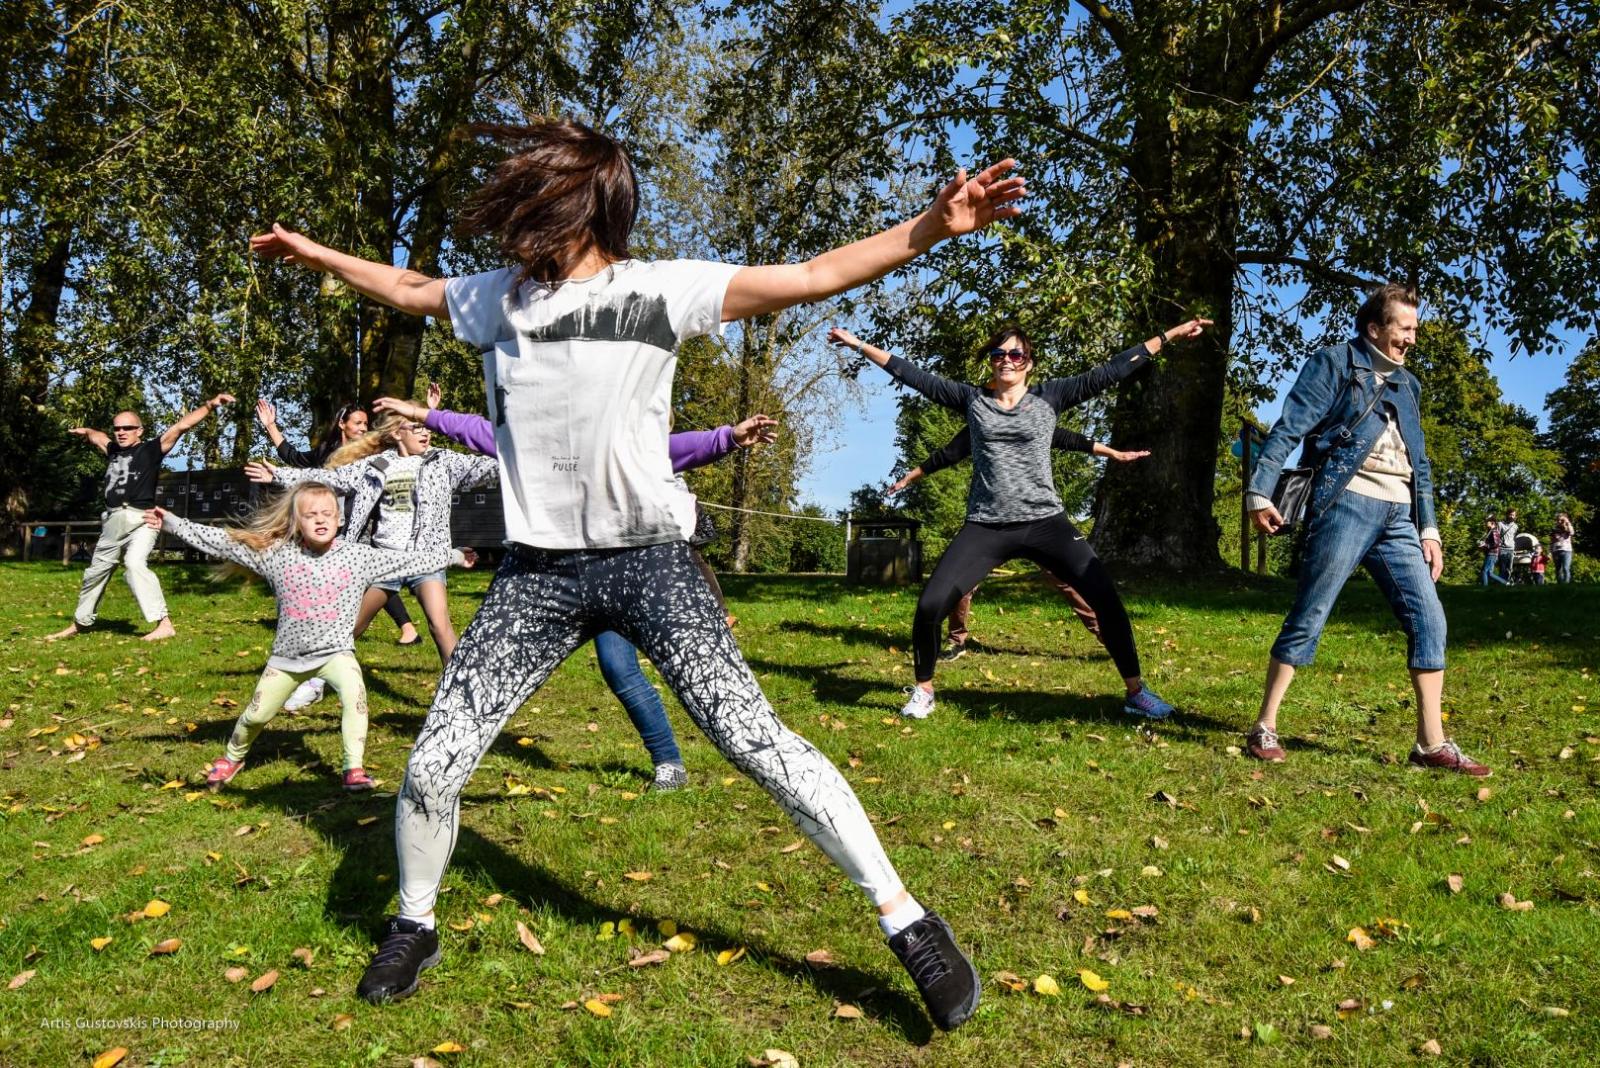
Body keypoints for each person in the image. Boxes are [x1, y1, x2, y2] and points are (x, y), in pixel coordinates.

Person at [249, 119, 1025, 1029]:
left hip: (652, 564)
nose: (518, 224)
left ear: (583, 205)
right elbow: (408, 286)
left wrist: (930, 227)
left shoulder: (660, 289)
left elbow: (811, 275)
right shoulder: (499, 299)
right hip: (536, 575)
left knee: (757, 741)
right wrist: (313, 252)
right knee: (433, 763)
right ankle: (413, 920)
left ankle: (908, 921)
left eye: (537, 201)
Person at [374, 391, 779, 792]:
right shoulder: (540, 446)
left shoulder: (626, 448)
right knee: (504, 668)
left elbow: (680, 447)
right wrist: (419, 413)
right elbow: (478, 431)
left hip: (622, 575)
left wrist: (729, 437)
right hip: (553, 580)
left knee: (632, 670)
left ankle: (671, 760)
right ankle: (440, 773)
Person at [831, 319, 1207, 722]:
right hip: (987, 525)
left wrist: (1168, 335)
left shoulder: (1051, 397)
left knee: (1107, 602)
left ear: (1028, 362)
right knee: (929, 606)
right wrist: (858, 344)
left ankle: (1136, 692)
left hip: (1046, 522)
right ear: (990, 363)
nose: (1006, 360)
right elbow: (913, 374)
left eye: (1015, 354)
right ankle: (924, 690)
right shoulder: (972, 401)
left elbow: (1112, 370)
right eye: (999, 354)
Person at [1243, 283, 1489, 776]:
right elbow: (1289, 429)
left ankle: (1430, 744)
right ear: (1375, 328)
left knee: (1430, 620)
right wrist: (1258, 491)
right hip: (1346, 503)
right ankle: (1265, 725)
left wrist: (1430, 529)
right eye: (1405, 328)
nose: (1412, 339)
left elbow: (1420, 462)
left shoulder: (1408, 385)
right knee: (1311, 611)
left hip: (1399, 516)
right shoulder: (1334, 363)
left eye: (1415, 329)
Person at [144, 484, 456, 792]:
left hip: (337, 653)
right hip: (287, 660)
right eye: (310, 515)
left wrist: (452, 556)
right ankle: (232, 758)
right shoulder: (276, 555)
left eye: (327, 514)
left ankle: (353, 768)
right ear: (296, 522)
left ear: (340, 520)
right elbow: (224, 543)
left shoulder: (359, 557)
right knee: (256, 716)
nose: (320, 520)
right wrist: (172, 522)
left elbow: (407, 561)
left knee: (356, 701)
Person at [244, 413, 493, 669]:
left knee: (440, 626)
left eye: (427, 428)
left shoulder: (443, 461)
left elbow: (490, 469)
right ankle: (313, 679)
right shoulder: (376, 465)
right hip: (384, 560)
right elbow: (332, 478)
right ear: (397, 433)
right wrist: (280, 476)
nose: (425, 433)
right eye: (417, 428)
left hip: (425, 559)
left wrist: (520, 452)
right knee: (351, 628)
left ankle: (458, 697)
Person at [888, 424, 1149, 661]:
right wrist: (909, 478)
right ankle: (957, 641)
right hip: (991, 525)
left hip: (1039, 523)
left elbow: (1073, 440)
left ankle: (1108, 637)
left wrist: (1114, 453)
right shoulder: (980, 427)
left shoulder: (1033, 422)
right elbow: (946, 455)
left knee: (1068, 582)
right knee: (962, 585)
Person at [46, 394, 235, 642]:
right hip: (113, 521)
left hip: (142, 519)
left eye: (128, 428)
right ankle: (80, 623)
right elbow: (98, 437)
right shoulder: (112, 450)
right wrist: (87, 431)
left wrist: (210, 406)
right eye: (118, 428)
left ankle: (164, 623)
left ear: (139, 431)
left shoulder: (151, 450)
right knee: (96, 572)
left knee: (135, 565)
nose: (121, 432)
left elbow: (181, 426)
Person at [257, 398, 421, 646]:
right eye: (358, 423)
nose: (363, 428)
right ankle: (318, 623)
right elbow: (295, 458)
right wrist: (271, 426)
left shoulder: (372, 453)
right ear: (342, 424)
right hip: (329, 523)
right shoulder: (326, 451)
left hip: (360, 524)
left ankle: (405, 628)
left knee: (367, 576)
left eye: (366, 423)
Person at [1477, 515, 1507, 587]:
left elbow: (1496, 543)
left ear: (1492, 523)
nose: (1485, 523)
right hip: (1491, 554)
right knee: (1489, 573)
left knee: (1485, 571)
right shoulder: (1490, 531)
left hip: (1492, 554)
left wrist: (1485, 545)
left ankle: (1485, 588)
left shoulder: (1494, 531)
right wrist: (1483, 545)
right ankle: (1506, 583)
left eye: (1487, 522)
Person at [1496, 508, 1519, 584]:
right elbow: (1497, 536)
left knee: (1509, 569)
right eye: (1511, 514)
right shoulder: (1500, 524)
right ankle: (1502, 584)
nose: (1512, 516)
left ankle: (1507, 583)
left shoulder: (1515, 526)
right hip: (1502, 549)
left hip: (1511, 549)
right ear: (1507, 514)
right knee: (1502, 569)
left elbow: (1514, 537)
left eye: (1513, 515)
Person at [1553, 513, 1575, 583]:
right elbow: (1552, 540)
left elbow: (1571, 533)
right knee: (1558, 569)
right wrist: (1550, 551)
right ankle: (1560, 584)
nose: (1559, 521)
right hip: (1556, 551)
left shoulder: (1568, 527)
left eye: (1561, 520)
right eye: (1558, 520)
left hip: (1567, 550)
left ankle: (1566, 584)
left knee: (1566, 568)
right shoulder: (1554, 528)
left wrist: (1567, 522)